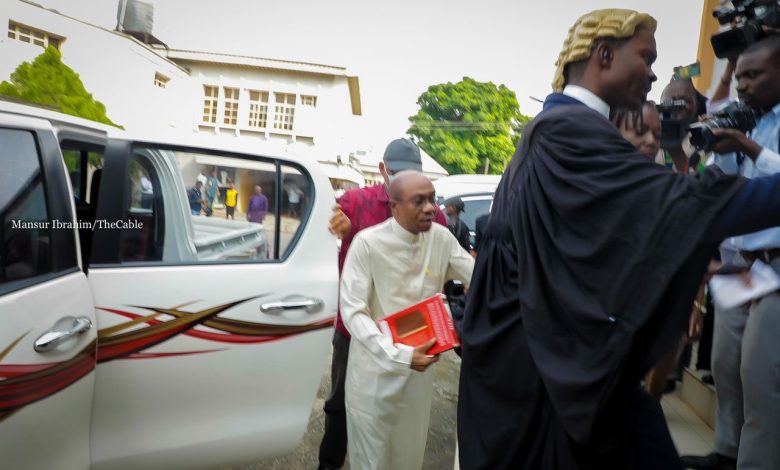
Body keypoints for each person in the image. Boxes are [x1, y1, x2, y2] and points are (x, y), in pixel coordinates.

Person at [456, 9, 780, 470]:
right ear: (604, 54)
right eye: (646, 57)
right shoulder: (568, 133)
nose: (652, 73)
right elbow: (678, 204)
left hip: (558, 359)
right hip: (547, 372)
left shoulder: (555, 128)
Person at [317, 138, 448, 470]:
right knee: (339, 406)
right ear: (382, 171)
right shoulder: (355, 202)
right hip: (357, 328)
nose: (424, 206)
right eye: (398, 174)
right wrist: (337, 229)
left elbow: (442, 259)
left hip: (409, 329)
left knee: (400, 410)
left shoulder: (434, 218)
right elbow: (322, 230)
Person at [681, 36, 780, 470]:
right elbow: (720, 186)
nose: (743, 85)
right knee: (727, 366)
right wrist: (713, 147)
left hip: (775, 268)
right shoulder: (750, 121)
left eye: (753, 75)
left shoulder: (761, 132)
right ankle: (726, 452)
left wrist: (748, 147)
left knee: (763, 385)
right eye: (739, 76)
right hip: (744, 267)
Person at [340, 171, 474, 470]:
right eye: (419, 201)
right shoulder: (368, 244)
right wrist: (397, 353)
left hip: (419, 377)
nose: (431, 208)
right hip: (374, 376)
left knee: (408, 458)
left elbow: (478, 275)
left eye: (432, 199)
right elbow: (353, 312)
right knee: (372, 461)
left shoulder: (441, 238)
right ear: (394, 206)